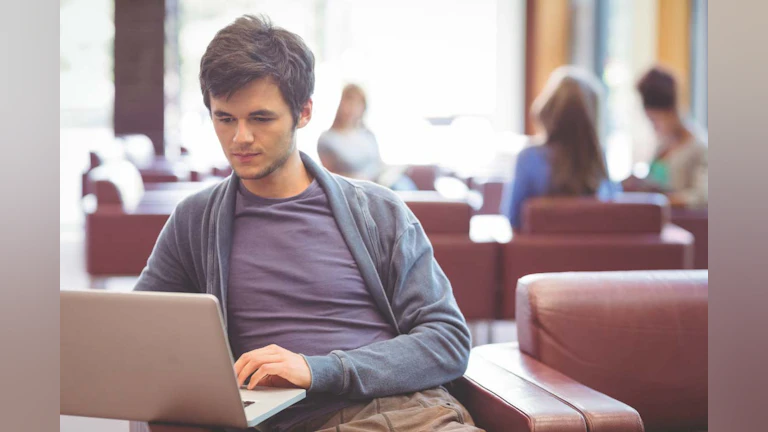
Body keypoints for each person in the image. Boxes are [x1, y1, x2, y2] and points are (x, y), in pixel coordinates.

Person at [133, 14, 478, 432]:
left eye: (260, 118)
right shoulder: (195, 221)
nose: (240, 138)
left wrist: (319, 370)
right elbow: (141, 340)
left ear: (304, 112)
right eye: (225, 118)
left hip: (403, 415)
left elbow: (447, 340)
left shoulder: (379, 211)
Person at [500, 66, 619, 231]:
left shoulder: (528, 157)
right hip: (592, 255)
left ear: (547, 109)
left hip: (538, 254)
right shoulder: (598, 158)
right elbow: (614, 212)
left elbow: (513, 219)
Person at [622, 66, 708, 207]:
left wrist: (663, 200)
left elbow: (702, 197)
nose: (654, 127)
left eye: (655, 121)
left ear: (673, 110)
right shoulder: (662, 146)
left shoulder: (699, 149)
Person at [317, 84, 416, 190]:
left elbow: (378, 163)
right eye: (349, 102)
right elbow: (328, 177)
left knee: (402, 184)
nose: (352, 108)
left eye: (357, 104)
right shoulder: (327, 139)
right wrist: (360, 178)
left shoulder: (367, 134)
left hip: (381, 182)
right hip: (356, 188)